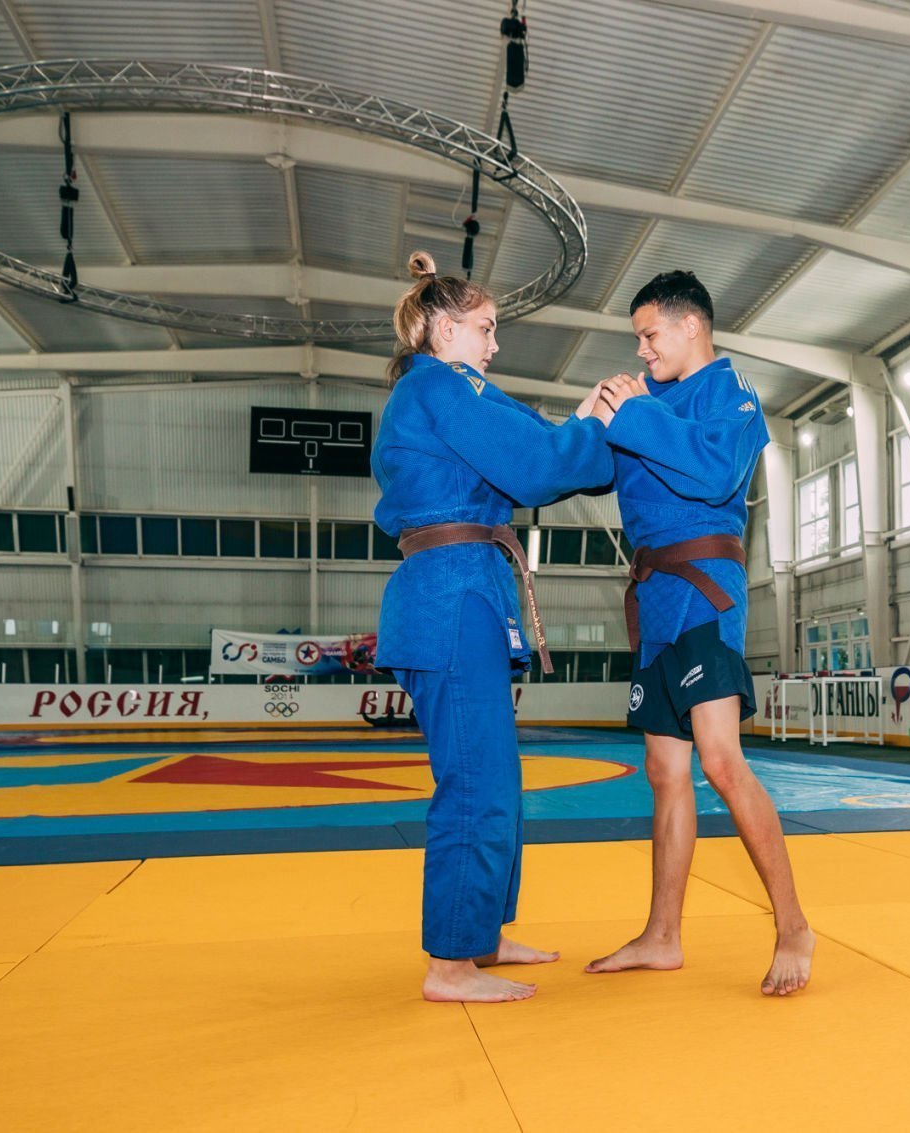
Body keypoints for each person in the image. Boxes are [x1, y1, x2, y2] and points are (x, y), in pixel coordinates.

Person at [373, 251, 615, 1003]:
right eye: (484, 327)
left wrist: (586, 424)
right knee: (475, 780)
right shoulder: (438, 387)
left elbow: (533, 439)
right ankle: (450, 962)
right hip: (450, 595)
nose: (494, 342)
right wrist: (590, 428)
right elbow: (536, 465)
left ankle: (480, 931)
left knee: (498, 778)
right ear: (443, 330)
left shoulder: (452, 391)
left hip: (467, 587)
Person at [583, 270, 814, 996]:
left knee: (720, 759)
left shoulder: (729, 392)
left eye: (650, 334)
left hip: (706, 590)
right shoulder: (647, 403)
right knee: (664, 770)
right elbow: (591, 469)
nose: (643, 350)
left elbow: (714, 473)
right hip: (656, 601)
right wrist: (589, 417)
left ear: (691, 326)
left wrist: (633, 412)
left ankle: (794, 926)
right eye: (638, 339)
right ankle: (662, 935)